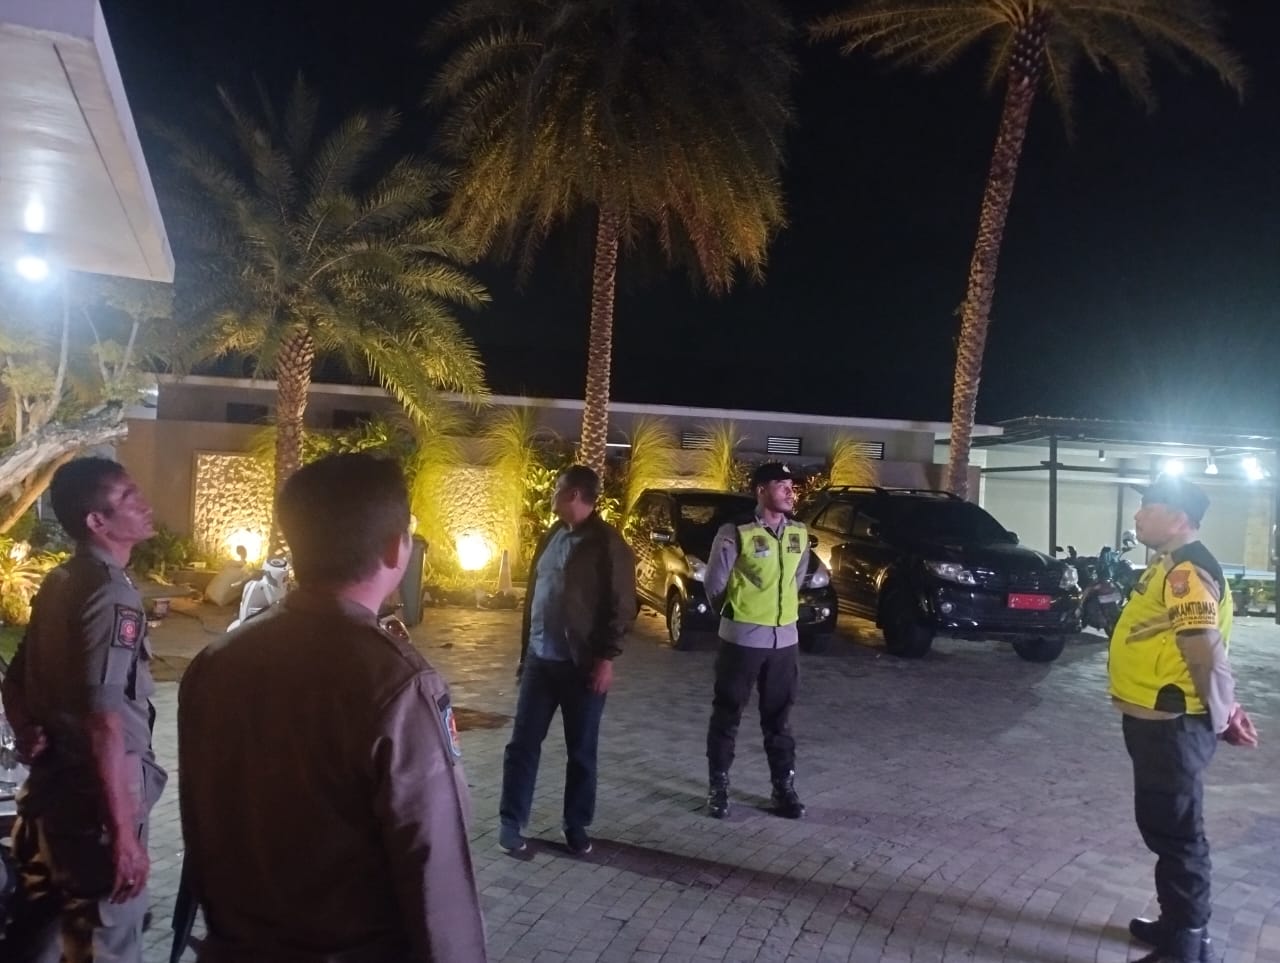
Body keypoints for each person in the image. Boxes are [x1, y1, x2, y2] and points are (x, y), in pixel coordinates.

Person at [177, 453, 487, 962]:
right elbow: (435, 868)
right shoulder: (396, 684)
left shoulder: (216, 662)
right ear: (396, 548)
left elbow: (199, 826)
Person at [1, 456, 166, 962]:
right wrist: (123, 837)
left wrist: (26, 729)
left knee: (37, 942)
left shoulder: (62, 580)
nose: (143, 503)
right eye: (127, 497)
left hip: (48, 801)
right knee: (104, 942)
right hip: (92, 811)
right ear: (97, 521)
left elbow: (13, 678)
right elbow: (104, 720)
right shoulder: (109, 594)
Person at [1109, 475, 1258, 963]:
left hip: (1171, 722)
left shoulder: (1186, 571)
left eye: (1149, 507)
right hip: (1155, 717)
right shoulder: (1168, 564)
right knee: (1164, 825)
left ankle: (1187, 944)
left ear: (1178, 518)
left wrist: (1224, 714)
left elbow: (1204, 651)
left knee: (1177, 832)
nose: (1138, 515)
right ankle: (1178, 924)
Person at [498, 465, 636, 856]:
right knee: (522, 745)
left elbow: (622, 606)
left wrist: (606, 658)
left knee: (581, 751)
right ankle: (511, 823)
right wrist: (525, 654)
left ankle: (576, 825)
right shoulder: (552, 535)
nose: (552, 493)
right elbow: (535, 597)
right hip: (540, 661)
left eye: (558, 488)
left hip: (582, 666)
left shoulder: (608, 544)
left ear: (574, 494)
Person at [703, 462, 810, 821]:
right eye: (782, 485)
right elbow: (715, 583)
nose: (790, 492)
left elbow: (797, 578)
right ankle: (718, 787)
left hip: (785, 641)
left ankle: (784, 789)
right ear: (761, 490)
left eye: (792, 485)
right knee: (728, 714)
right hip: (742, 641)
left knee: (779, 719)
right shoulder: (736, 531)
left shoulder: (799, 532)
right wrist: (735, 614)